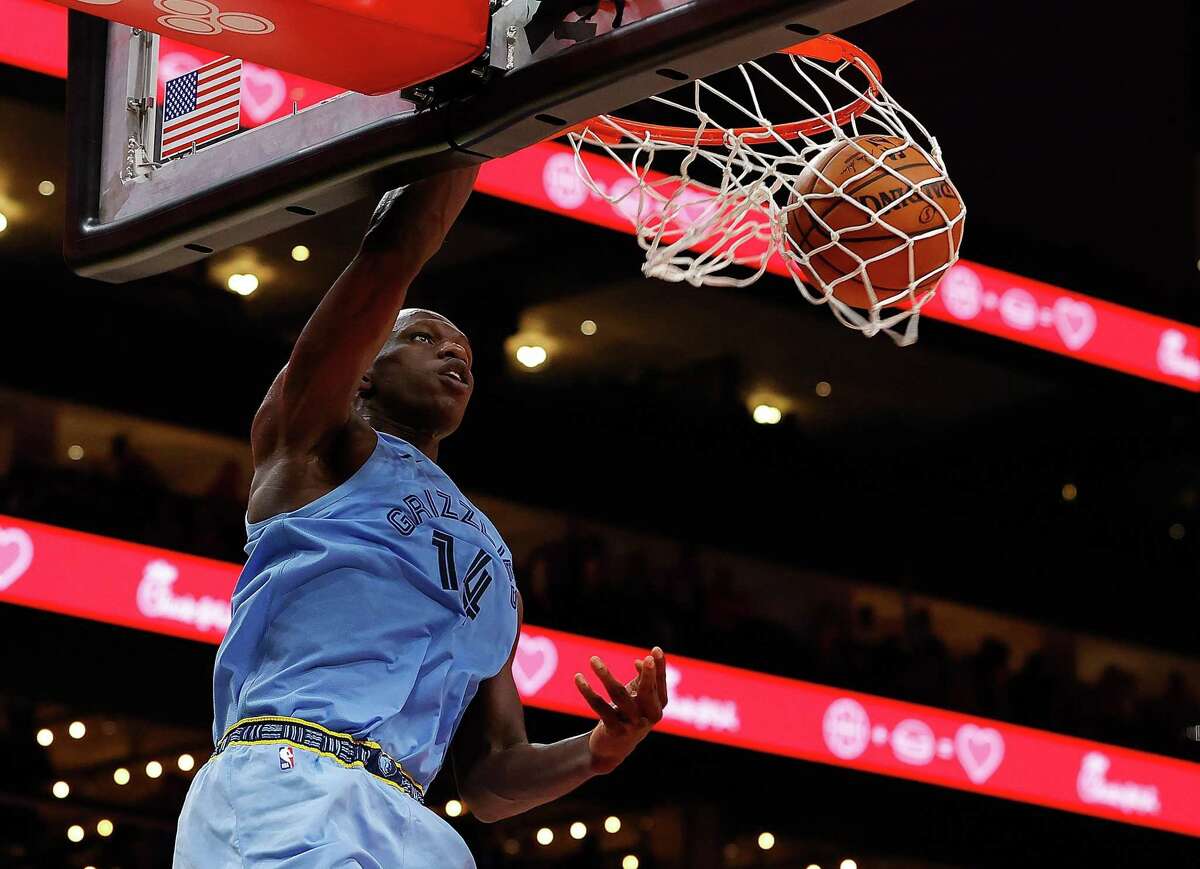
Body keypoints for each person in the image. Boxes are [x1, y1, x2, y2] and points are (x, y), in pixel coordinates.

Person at [173, 167, 669, 867]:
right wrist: (477, 129)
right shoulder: (315, 443)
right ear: (365, 370)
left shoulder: (493, 558)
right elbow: (390, 255)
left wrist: (596, 752)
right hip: (284, 780)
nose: (452, 350)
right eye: (423, 338)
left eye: (462, 350)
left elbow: (493, 773)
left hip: (410, 818)